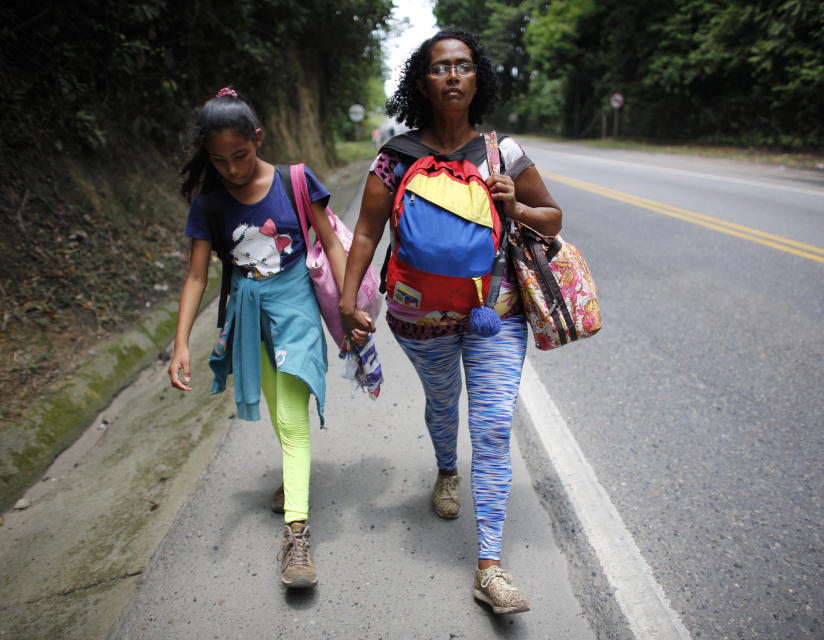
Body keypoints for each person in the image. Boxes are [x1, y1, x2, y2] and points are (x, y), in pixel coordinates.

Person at [339, 29, 562, 615]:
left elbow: (553, 218)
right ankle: (444, 469)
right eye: (441, 68)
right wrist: (348, 299)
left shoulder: (502, 154)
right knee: (443, 405)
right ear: (423, 81)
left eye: (464, 66)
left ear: (477, 78)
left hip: (497, 312)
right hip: (419, 318)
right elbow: (365, 231)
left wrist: (514, 205)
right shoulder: (395, 157)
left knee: (490, 428)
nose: (454, 76)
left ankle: (489, 565)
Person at [169, 87, 347, 589]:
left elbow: (330, 242)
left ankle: (296, 536)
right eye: (219, 160)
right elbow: (197, 278)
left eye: (241, 155)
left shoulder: (294, 180)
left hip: (295, 310)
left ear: (258, 139)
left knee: (292, 419)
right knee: (279, 414)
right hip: (249, 316)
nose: (231, 168)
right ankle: (295, 482)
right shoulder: (209, 203)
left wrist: (350, 304)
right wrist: (181, 343)